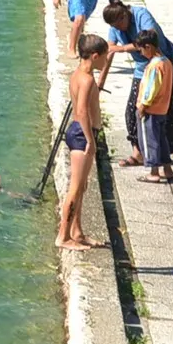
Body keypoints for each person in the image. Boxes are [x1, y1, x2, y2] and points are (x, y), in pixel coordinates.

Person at [99, 0, 173, 164]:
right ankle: (138, 152)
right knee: (133, 111)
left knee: (163, 114)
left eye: (119, 25)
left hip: (166, 65)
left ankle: (160, 158)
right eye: (114, 28)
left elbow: (151, 38)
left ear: (124, 16)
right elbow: (110, 52)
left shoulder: (141, 15)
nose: (118, 30)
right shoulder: (115, 27)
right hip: (143, 69)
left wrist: (123, 48)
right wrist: (100, 83)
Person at [58, 34, 111, 251]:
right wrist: (90, 140)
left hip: (81, 132)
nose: (106, 61)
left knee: (83, 186)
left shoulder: (78, 74)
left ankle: (77, 231)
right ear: (95, 56)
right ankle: (63, 236)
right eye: (104, 57)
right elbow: (80, 111)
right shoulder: (87, 80)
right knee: (76, 187)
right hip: (82, 135)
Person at [136, 29, 173, 184]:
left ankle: (154, 171)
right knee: (161, 140)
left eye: (141, 49)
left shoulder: (155, 66)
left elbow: (151, 88)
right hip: (162, 109)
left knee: (149, 140)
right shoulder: (167, 63)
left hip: (150, 110)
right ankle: (167, 169)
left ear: (148, 47)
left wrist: (143, 105)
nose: (140, 53)